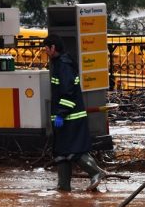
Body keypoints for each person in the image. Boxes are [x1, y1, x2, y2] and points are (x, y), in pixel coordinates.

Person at [43, 34, 106, 192]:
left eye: (46, 48)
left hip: (70, 118)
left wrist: (61, 114)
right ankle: (63, 188)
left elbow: (68, 92)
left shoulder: (63, 65)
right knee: (62, 153)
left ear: (53, 48)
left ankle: (96, 172)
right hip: (66, 118)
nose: (45, 52)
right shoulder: (60, 63)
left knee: (73, 151)